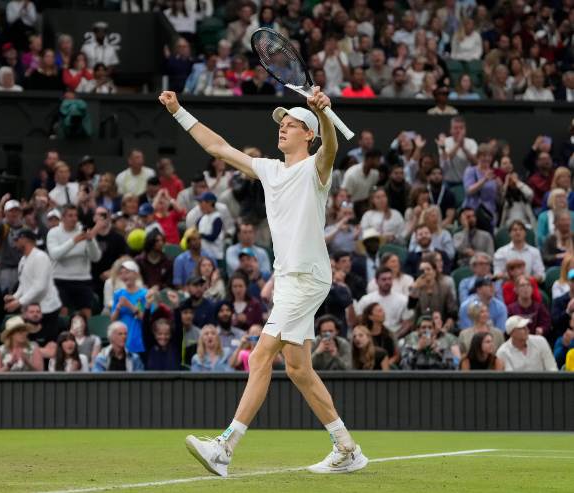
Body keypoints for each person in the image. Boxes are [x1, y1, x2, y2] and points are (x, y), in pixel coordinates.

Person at [159, 89, 367, 474]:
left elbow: (331, 148)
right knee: (298, 369)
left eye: (291, 125)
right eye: (281, 125)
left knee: (259, 356)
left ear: (309, 134)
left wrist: (323, 115)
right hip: (288, 278)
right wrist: (178, 112)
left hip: (307, 277)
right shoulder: (270, 169)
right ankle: (347, 448)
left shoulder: (317, 167)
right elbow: (218, 147)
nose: (283, 129)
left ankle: (224, 448)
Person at [4, 229, 61, 344]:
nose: (15, 244)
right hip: (32, 309)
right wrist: (15, 297)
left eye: (17, 240)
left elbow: (40, 286)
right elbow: (23, 284)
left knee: (47, 343)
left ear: (25, 240)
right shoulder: (23, 260)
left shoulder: (40, 257)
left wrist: (19, 302)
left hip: (47, 308)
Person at [46, 205, 102, 319]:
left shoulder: (83, 230)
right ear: (62, 218)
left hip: (83, 279)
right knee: (62, 313)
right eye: (70, 215)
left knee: (86, 313)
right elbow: (55, 255)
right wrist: (74, 241)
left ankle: (86, 335)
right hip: (60, 279)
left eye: (76, 215)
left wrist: (90, 241)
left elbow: (96, 257)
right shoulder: (53, 233)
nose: (74, 218)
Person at [355, 267, 408, 334]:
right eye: (384, 279)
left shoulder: (403, 300)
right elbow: (360, 320)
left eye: (389, 279)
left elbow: (407, 324)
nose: (387, 282)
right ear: (376, 281)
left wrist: (394, 338)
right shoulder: (366, 300)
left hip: (395, 334)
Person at [111, 260, 148, 355]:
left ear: (136, 274)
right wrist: (118, 307)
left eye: (127, 272)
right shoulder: (118, 294)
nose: (124, 276)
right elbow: (113, 319)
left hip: (140, 340)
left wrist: (129, 305)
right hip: (123, 342)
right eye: (121, 273)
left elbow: (146, 319)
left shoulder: (145, 294)